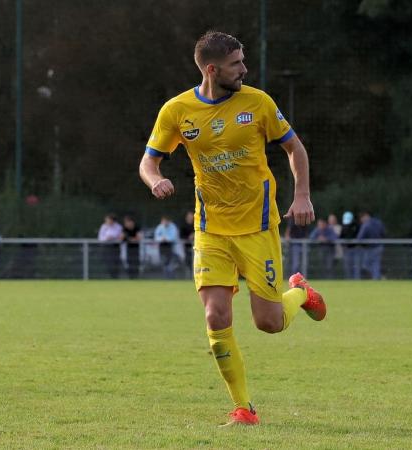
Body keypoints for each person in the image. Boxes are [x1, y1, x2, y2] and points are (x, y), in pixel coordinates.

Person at [138, 31, 326, 426]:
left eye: (242, 61)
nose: (244, 69)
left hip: (258, 226)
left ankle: (301, 293)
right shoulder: (177, 110)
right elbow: (148, 160)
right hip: (211, 229)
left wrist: (303, 195)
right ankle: (244, 408)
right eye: (236, 63)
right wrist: (154, 179)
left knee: (269, 323)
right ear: (212, 69)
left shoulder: (258, 103)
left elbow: (295, 148)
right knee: (215, 316)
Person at [356, 212, 385, 280]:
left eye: (362, 219)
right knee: (376, 264)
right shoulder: (378, 222)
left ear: (365, 216)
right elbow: (383, 233)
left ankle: (378, 276)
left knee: (366, 265)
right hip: (379, 246)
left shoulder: (366, 225)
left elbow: (359, 237)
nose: (362, 221)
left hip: (371, 248)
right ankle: (377, 278)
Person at [98, 214, 123, 279]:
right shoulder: (103, 226)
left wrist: (113, 238)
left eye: (108, 220)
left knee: (115, 262)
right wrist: (106, 238)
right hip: (106, 246)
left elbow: (120, 237)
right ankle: (109, 276)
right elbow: (100, 237)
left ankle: (115, 277)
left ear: (112, 220)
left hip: (115, 246)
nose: (107, 221)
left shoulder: (118, 227)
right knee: (108, 262)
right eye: (106, 220)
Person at [339, 211, 359, 279]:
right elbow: (341, 237)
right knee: (347, 266)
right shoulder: (344, 226)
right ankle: (349, 279)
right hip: (346, 249)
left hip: (355, 249)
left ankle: (356, 279)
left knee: (356, 266)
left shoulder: (356, 226)